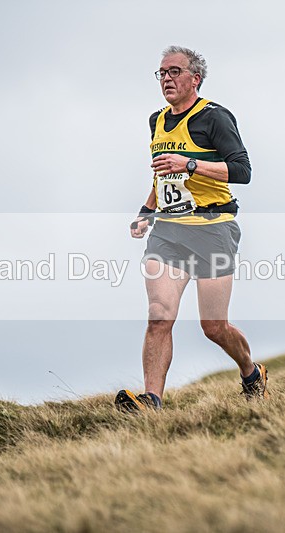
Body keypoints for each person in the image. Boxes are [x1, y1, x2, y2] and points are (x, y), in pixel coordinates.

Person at [114, 45, 268, 412]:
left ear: (194, 78)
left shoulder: (214, 117)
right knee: (159, 314)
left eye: (174, 72)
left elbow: (243, 171)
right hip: (169, 230)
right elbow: (162, 173)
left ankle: (251, 372)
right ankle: (151, 400)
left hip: (213, 227)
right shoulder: (156, 120)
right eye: (161, 73)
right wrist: (145, 211)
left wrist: (192, 163)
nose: (166, 79)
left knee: (213, 327)